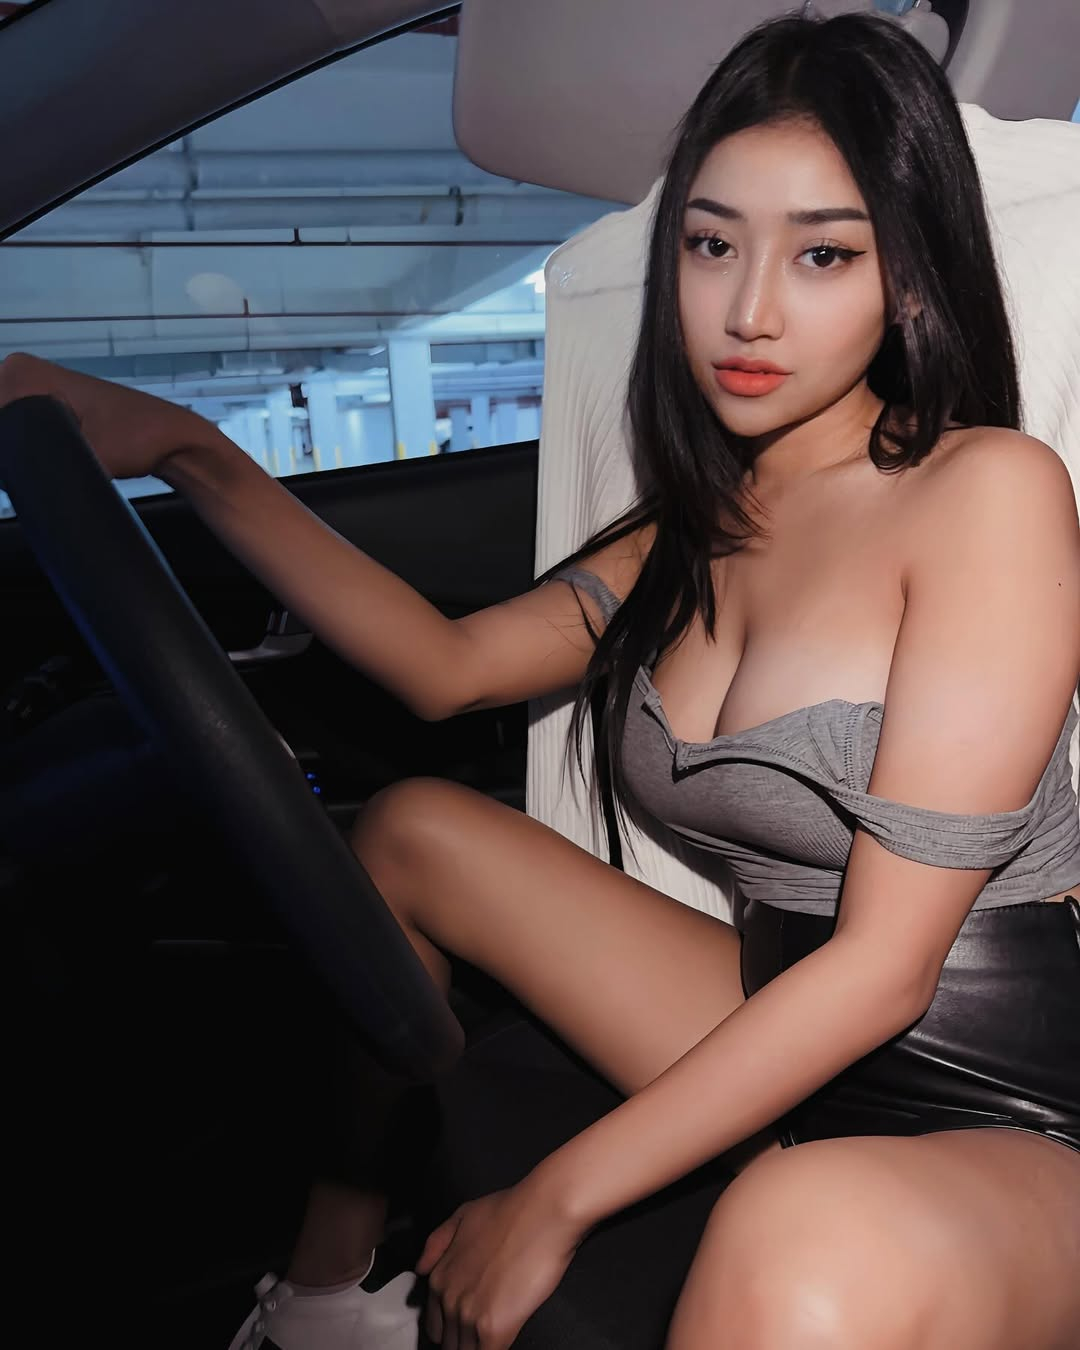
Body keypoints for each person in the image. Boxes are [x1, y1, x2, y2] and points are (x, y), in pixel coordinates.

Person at [3, 11, 1080, 1349]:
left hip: (1008, 1106)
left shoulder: (988, 495)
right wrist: (192, 450)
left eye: (822, 253)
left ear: (908, 279)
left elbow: (886, 970)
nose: (749, 309)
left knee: (802, 1232)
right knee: (411, 834)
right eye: (711, 243)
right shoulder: (691, 532)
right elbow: (443, 666)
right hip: (782, 1016)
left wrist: (551, 1200)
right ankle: (326, 1303)